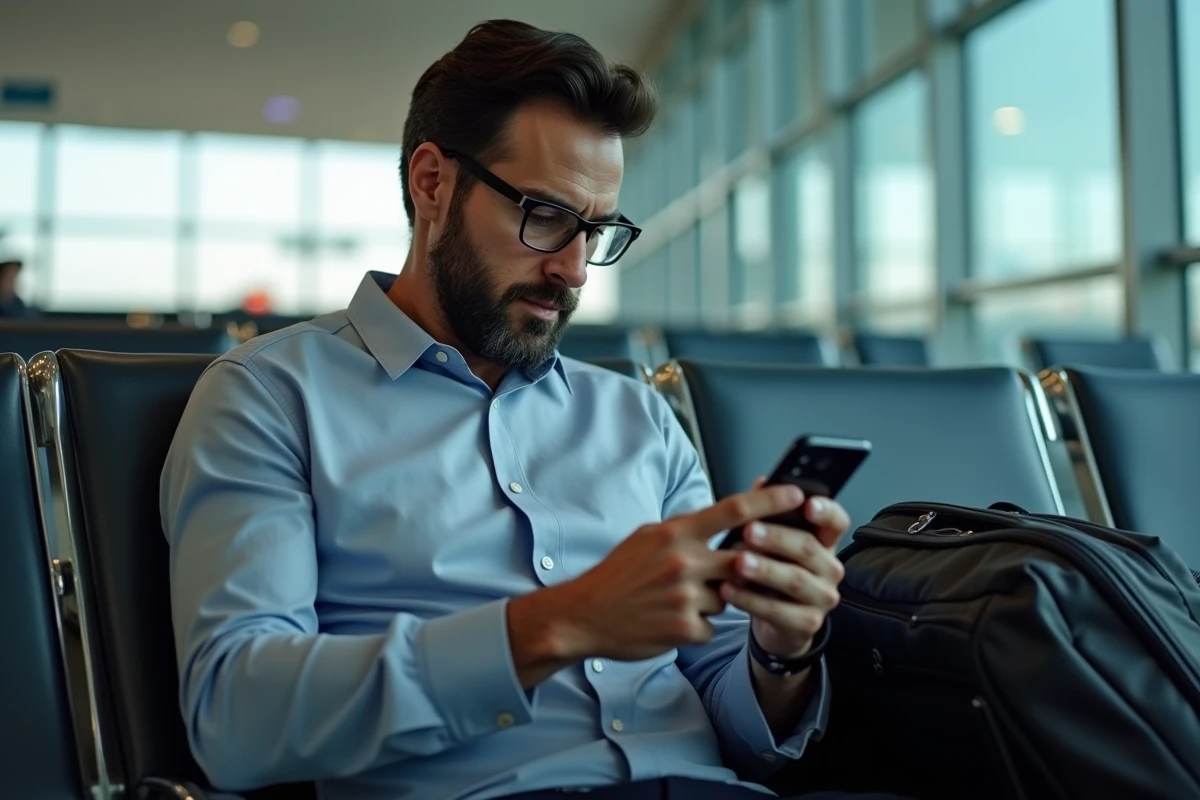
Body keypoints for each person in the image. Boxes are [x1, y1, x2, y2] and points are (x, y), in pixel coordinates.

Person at [162, 20, 900, 800]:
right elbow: (236, 719)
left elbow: (742, 724)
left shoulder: (637, 417)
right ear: (433, 183)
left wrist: (780, 650)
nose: (574, 269)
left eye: (597, 231)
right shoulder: (271, 397)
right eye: (545, 216)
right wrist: (560, 624)